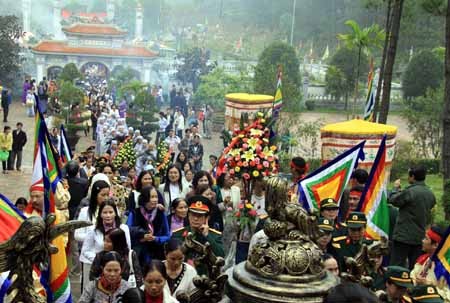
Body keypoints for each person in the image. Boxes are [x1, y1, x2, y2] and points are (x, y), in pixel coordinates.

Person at [389, 166, 436, 269]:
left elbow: (393, 200)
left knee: (396, 267)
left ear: (412, 176)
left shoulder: (410, 191)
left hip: (403, 236)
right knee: (415, 267)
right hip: (419, 237)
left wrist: (395, 188)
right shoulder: (430, 193)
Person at [81, 199, 131, 286]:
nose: (108, 215)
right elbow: (85, 251)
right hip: (98, 269)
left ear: (115, 213)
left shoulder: (124, 228)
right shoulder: (93, 230)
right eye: (105, 212)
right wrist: (99, 260)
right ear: (100, 214)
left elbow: (127, 249)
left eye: (111, 212)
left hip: (118, 270)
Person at [171, 195, 224, 275]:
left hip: (206, 276)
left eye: (199, 216)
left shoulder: (214, 235)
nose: (195, 219)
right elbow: (171, 256)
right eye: (193, 215)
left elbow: (220, 255)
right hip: (182, 275)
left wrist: (207, 236)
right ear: (188, 216)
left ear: (207, 218)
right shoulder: (178, 234)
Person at [127, 186, 170, 265]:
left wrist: (156, 238)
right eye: (152, 197)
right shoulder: (134, 213)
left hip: (157, 253)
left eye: (156, 197)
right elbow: (128, 232)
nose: (155, 200)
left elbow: (167, 235)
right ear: (144, 198)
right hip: (139, 254)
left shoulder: (160, 213)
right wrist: (141, 238)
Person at [410, 225, 450, 301]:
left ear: (435, 245)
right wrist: (415, 282)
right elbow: (412, 276)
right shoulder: (423, 259)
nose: (422, 241)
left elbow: (447, 295)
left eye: (426, 239)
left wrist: (428, 286)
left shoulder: (445, 269)